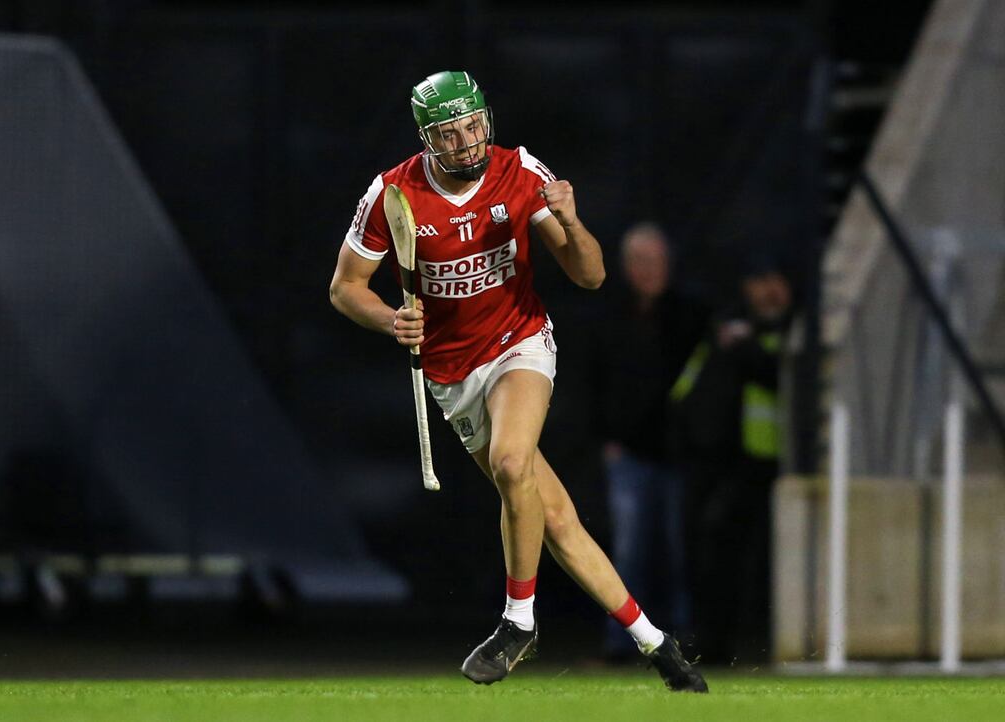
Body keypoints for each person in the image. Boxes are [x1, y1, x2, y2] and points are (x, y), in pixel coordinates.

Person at [329, 70, 707, 692]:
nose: (468, 142)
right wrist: (391, 319)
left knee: (511, 463)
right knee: (552, 515)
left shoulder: (520, 172)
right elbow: (345, 289)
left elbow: (590, 276)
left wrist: (573, 220)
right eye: (451, 134)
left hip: (519, 342)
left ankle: (518, 621)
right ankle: (658, 645)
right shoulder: (391, 194)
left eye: (474, 126)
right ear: (428, 139)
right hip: (453, 373)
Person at [590, 222, 710, 660]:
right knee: (629, 554)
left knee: (681, 553)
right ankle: (623, 642)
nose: (647, 269)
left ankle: (684, 639)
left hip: (679, 453)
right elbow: (595, 381)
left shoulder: (692, 315)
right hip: (630, 454)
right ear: (625, 266)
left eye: (655, 260)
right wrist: (607, 437)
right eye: (639, 260)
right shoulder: (611, 316)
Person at [670, 258, 792, 664]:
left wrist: (745, 345)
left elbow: (783, 376)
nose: (767, 291)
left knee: (749, 560)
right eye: (759, 280)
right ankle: (709, 642)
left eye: (774, 280)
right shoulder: (724, 329)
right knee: (708, 555)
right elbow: (689, 388)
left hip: (764, 465)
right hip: (714, 462)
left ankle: (754, 643)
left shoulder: (788, 330)